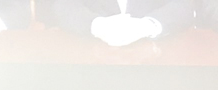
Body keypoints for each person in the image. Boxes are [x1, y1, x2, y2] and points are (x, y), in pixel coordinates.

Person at [53, 0, 193, 47]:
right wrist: (97, 25)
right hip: (88, 61)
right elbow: (64, 6)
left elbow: (183, 5)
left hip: (158, 61)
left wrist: (148, 25)